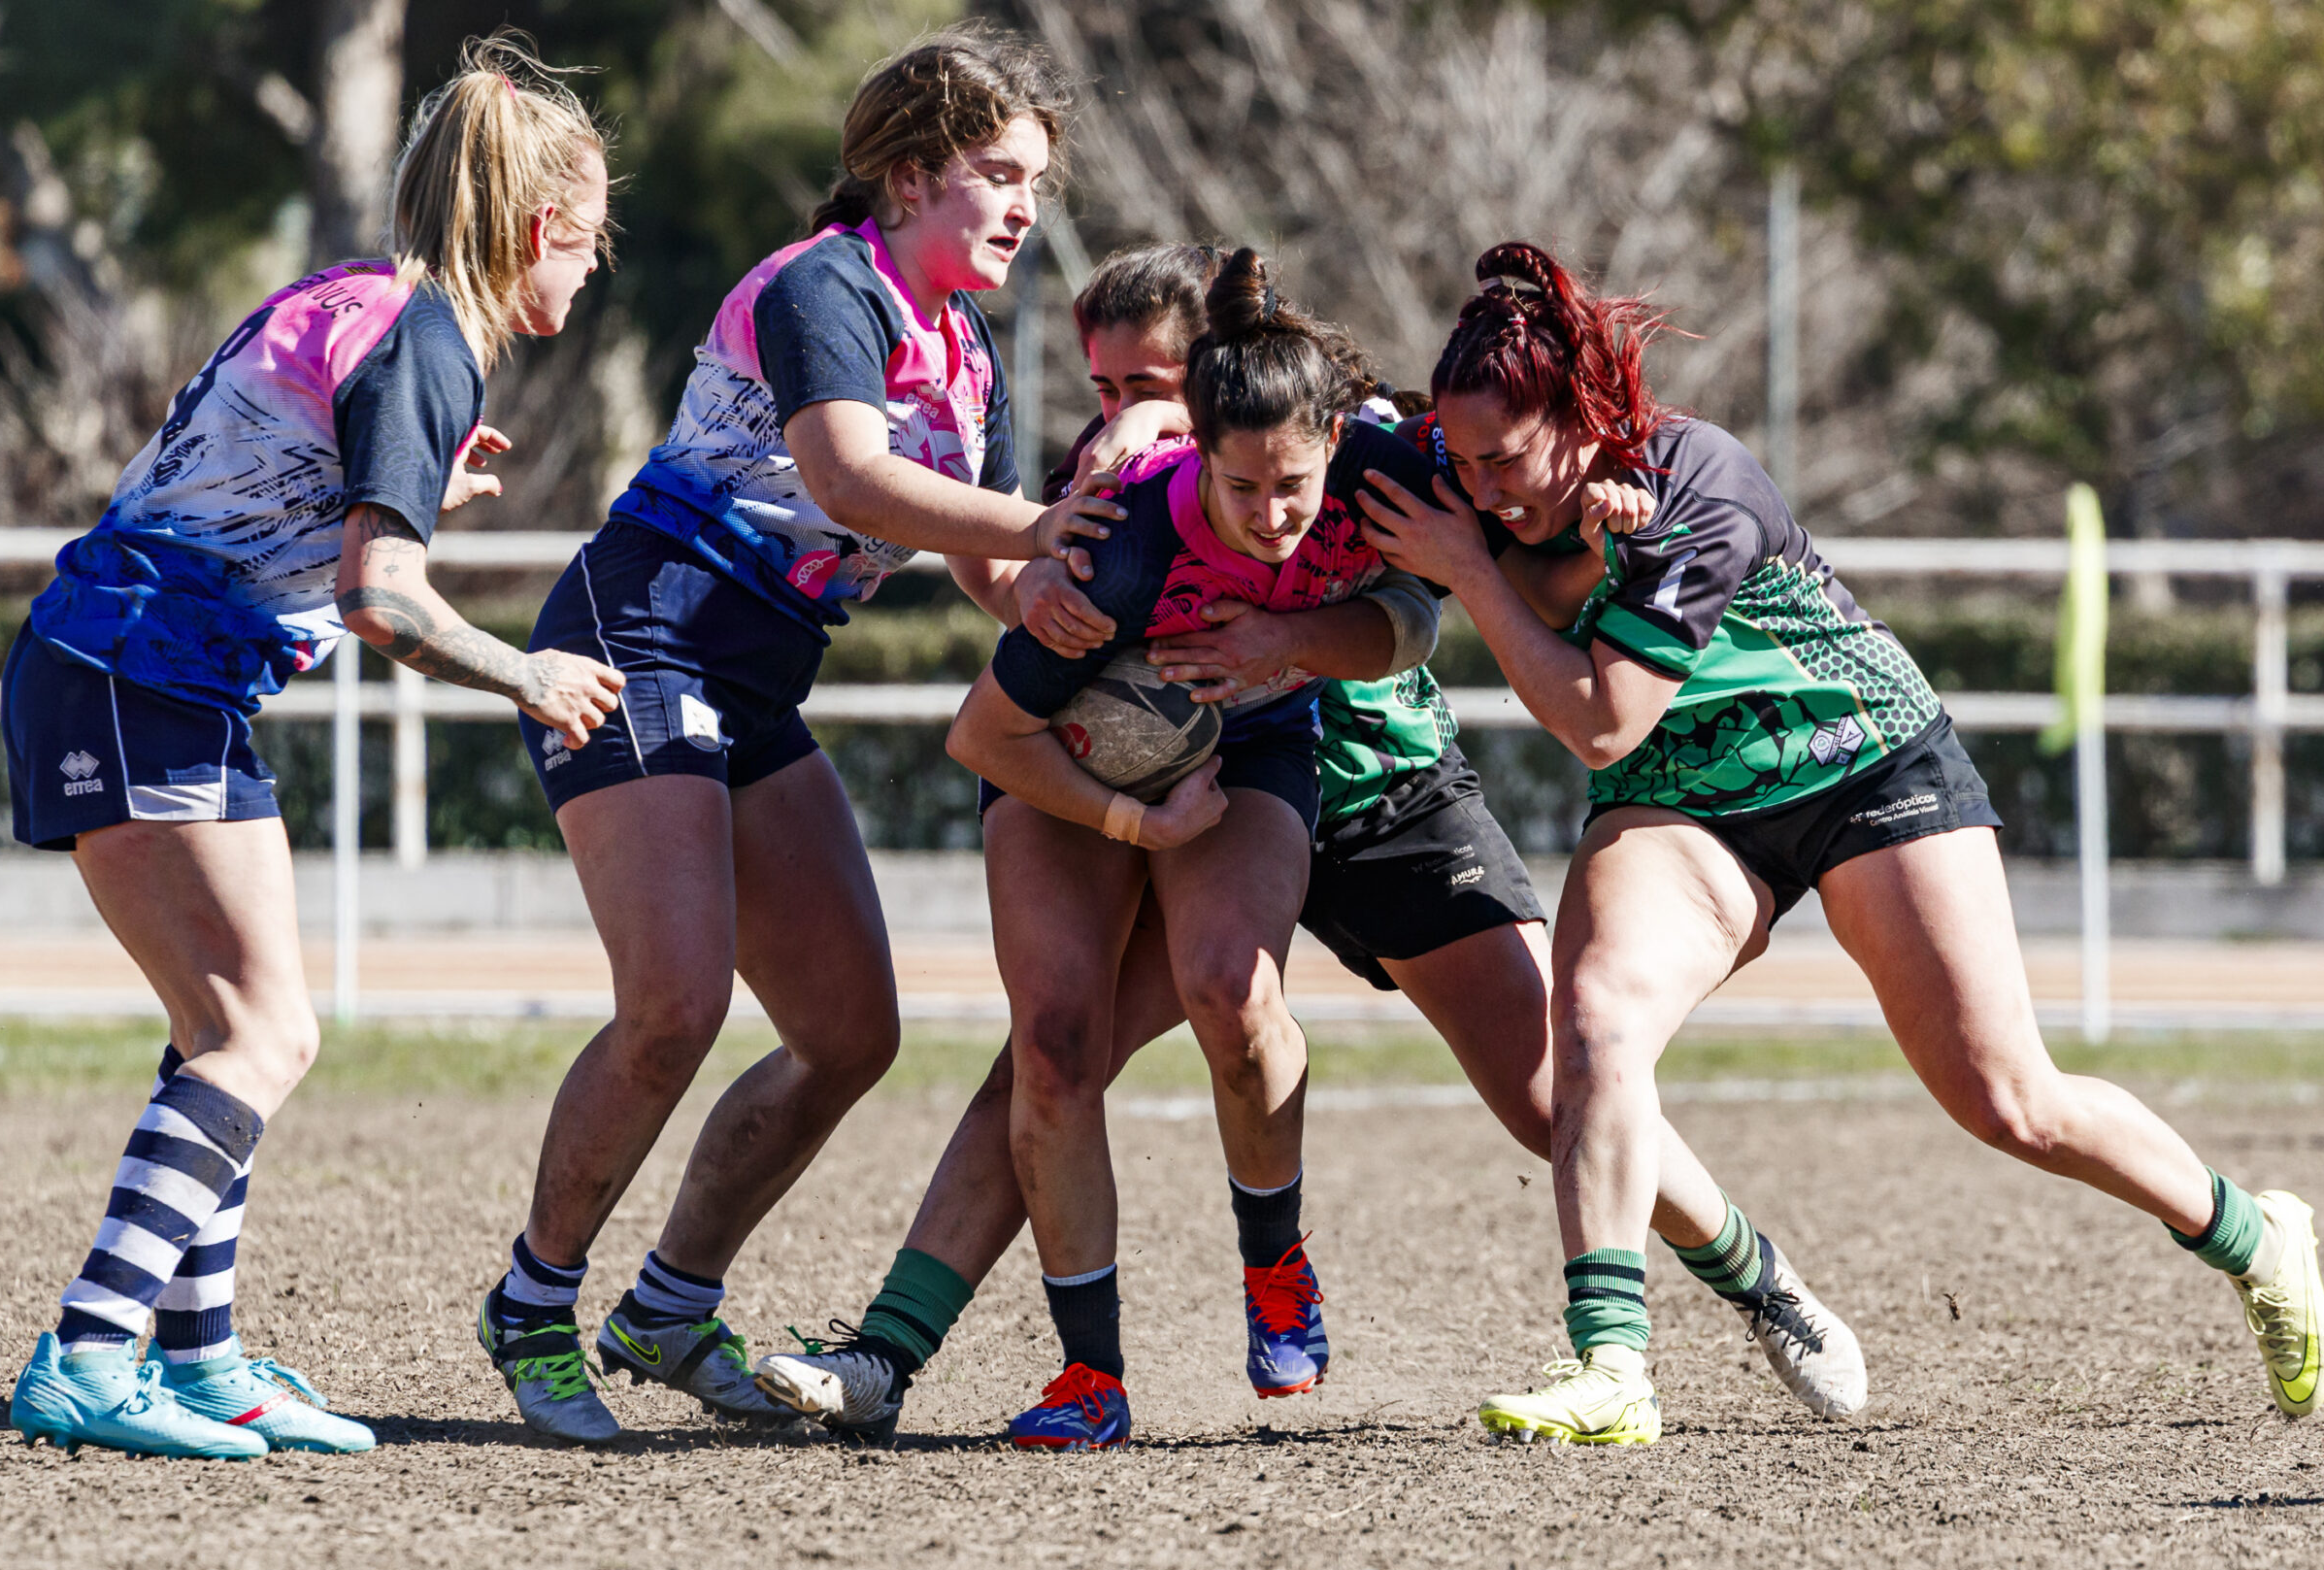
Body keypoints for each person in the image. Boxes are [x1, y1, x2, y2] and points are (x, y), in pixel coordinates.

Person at [752, 244, 1867, 1447]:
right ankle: (891, 1347)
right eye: (1110, 390)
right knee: (1051, 1054)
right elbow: (1023, 657)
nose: (1132, 416)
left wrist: (1606, 515)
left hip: (1379, 790)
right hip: (1209, 793)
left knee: (1556, 1088)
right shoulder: (1148, 504)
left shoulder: (1365, 454)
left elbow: (1482, 552)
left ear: (1239, 374)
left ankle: (1762, 1284)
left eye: (1158, 384)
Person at [1358, 240, 2324, 1447]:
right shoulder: (1465, 471)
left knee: (2007, 1100)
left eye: (1503, 457)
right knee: (1598, 1023)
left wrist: (1468, 564)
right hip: (1690, 803)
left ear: (1581, 415)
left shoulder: (1691, 481)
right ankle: (1612, 1365)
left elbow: (1599, 723)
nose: (1481, 484)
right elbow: (1301, 438)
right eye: (1458, 459)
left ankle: (2252, 1233)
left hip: (1862, 764)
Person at [477, 24, 1112, 1445]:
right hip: (639, 637)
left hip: (750, 681)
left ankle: (667, 1304)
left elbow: (993, 568)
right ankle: (533, 1303)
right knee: (676, 1006)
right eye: (997, 173)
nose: (1023, 204)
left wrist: (1115, 594)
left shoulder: (967, 348)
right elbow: (848, 471)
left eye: (1035, 181)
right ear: (904, 174)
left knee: (849, 1031)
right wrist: (1035, 526)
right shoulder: (830, 284)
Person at [0, 36, 621, 1460]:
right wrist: (525, 671)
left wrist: (407, 474)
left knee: (226, 1032)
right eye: (587, 245)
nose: (588, 276)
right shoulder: (430, 342)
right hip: (138, 670)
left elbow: (271, 472)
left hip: (138, 668)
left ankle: (202, 1359)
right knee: (262, 1032)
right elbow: (379, 597)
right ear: (536, 231)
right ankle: (94, 1349)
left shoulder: (366, 306)